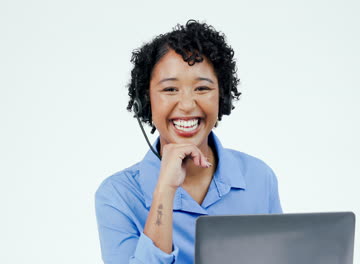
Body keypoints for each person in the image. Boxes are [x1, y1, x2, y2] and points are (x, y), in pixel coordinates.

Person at [95, 19, 283, 264]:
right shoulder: (118, 196)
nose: (186, 105)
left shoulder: (258, 177)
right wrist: (165, 189)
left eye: (202, 89)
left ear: (221, 96)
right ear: (145, 99)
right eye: (170, 89)